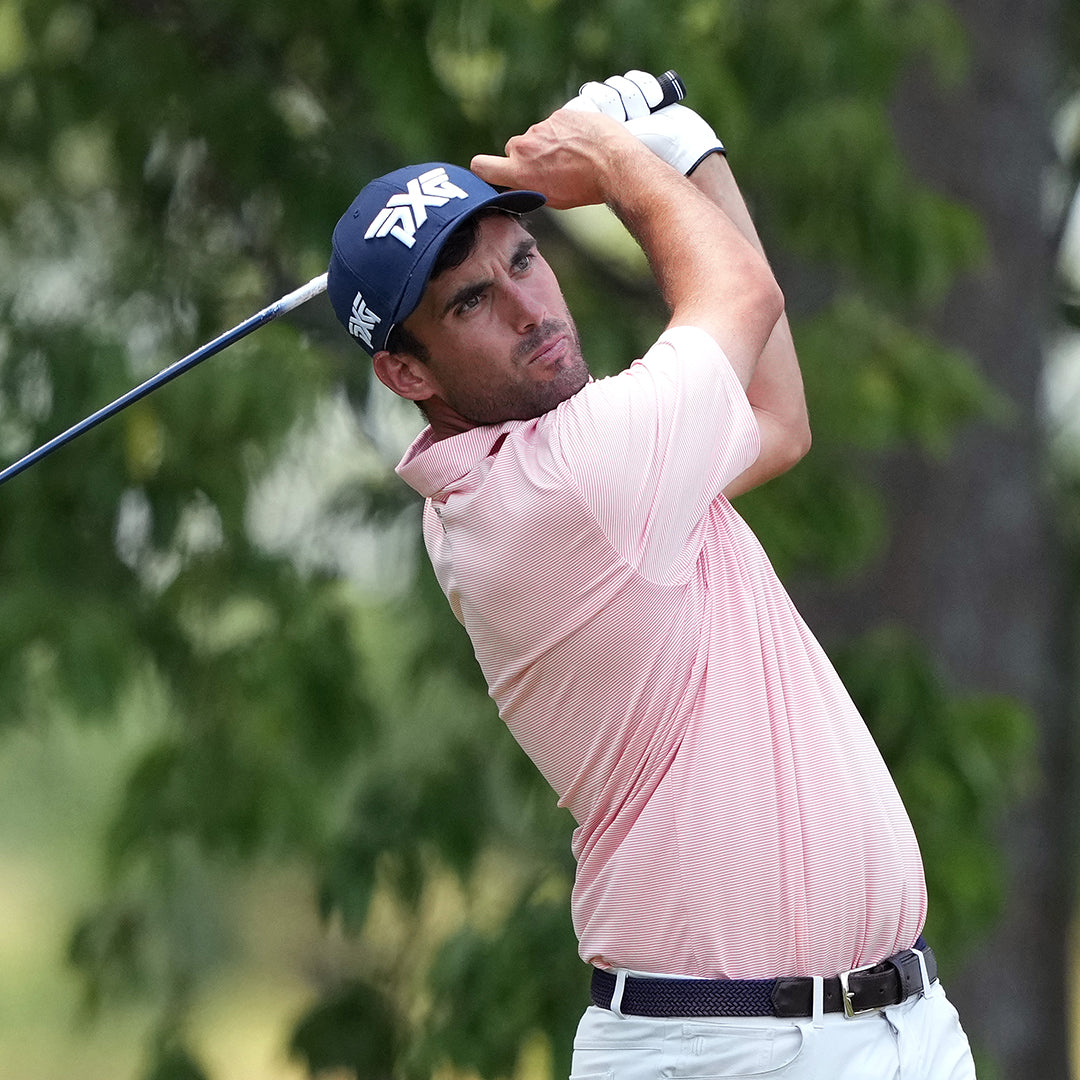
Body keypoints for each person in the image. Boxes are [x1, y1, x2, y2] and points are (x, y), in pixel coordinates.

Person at [325, 71, 977, 1080]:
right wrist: (625, 158)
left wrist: (688, 151)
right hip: (727, 1051)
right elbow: (743, 295)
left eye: (525, 259)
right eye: (471, 302)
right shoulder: (570, 486)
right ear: (409, 373)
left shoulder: (584, 470)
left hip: (897, 1027)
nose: (529, 309)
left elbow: (776, 415)